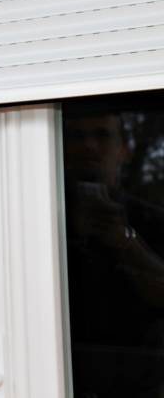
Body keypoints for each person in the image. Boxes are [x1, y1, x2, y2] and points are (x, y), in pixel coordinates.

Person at [64, 111, 164, 398]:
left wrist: (125, 241)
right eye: (77, 136)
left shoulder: (151, 221)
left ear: (124, 150)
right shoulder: (39, 220)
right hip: (60, 378)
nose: (89, 146)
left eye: (102, 135)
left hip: (139, 384)